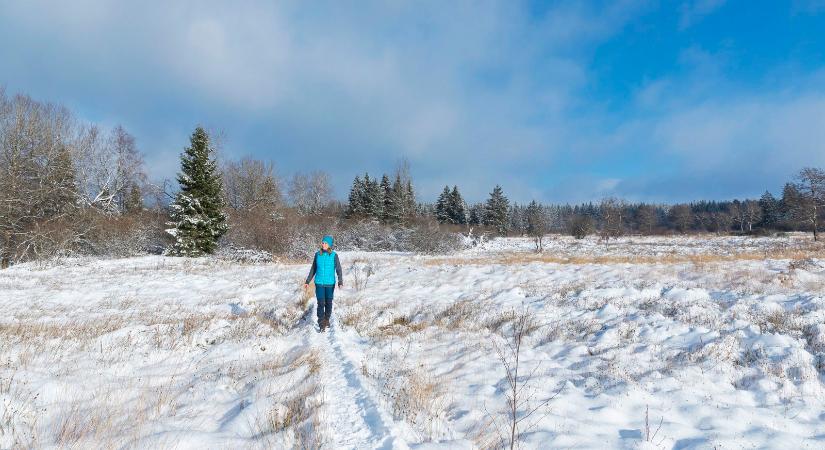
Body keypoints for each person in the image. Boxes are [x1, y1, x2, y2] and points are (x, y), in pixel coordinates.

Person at [304, 235, 343, 331]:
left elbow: (338, 269)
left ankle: (327, 319)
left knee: (328, 303)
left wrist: (340, 281)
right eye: (322, 242)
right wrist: (307, 281)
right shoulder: (317, 255)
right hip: (319, 283)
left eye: (325, 243)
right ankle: (321, 322)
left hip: (330, 284)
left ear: (329, 245)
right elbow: (313, 268)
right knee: (321, 303)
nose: (323, 244)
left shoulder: (334, 255)